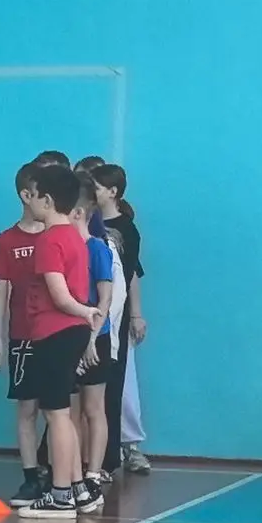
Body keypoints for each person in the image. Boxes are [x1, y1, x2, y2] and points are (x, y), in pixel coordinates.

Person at [16, 166, 104, 521]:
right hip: (70, 333)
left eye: (35, 195)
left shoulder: (50, 240)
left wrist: (85, 311)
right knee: (63, 415)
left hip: (56, 333)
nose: (31, 201)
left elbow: (60, 295)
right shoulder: (74, 237)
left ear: (48, 200)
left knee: (57, 416)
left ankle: (61, 495)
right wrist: (85, 316)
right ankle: (79, 489)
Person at [89, 164, 150, 475]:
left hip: (115, 314)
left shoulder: (126, 229)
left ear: (112, 191)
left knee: (114, 386)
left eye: (96, 186)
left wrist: (134, 313)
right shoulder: (89, 223)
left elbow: (130, 275)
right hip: (92, 312)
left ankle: (114, 454)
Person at [0, 163, 46, 505]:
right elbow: (2, 289)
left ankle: (62, 476)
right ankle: (30, 478)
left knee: (59, 409)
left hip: (55, 336)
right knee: (27, 409)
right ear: (26, 195)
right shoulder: (7, 240)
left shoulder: (57, 236)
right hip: (23, 336)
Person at [70, 188, 120, 508]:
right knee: (70, 411)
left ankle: (93, 474)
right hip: (68, 337)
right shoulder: (65, 250)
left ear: (78, 213)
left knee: (93, 407)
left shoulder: (98, 249)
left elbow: (105, 299)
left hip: (94, 338)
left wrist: (90, 339)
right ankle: (73, 475)